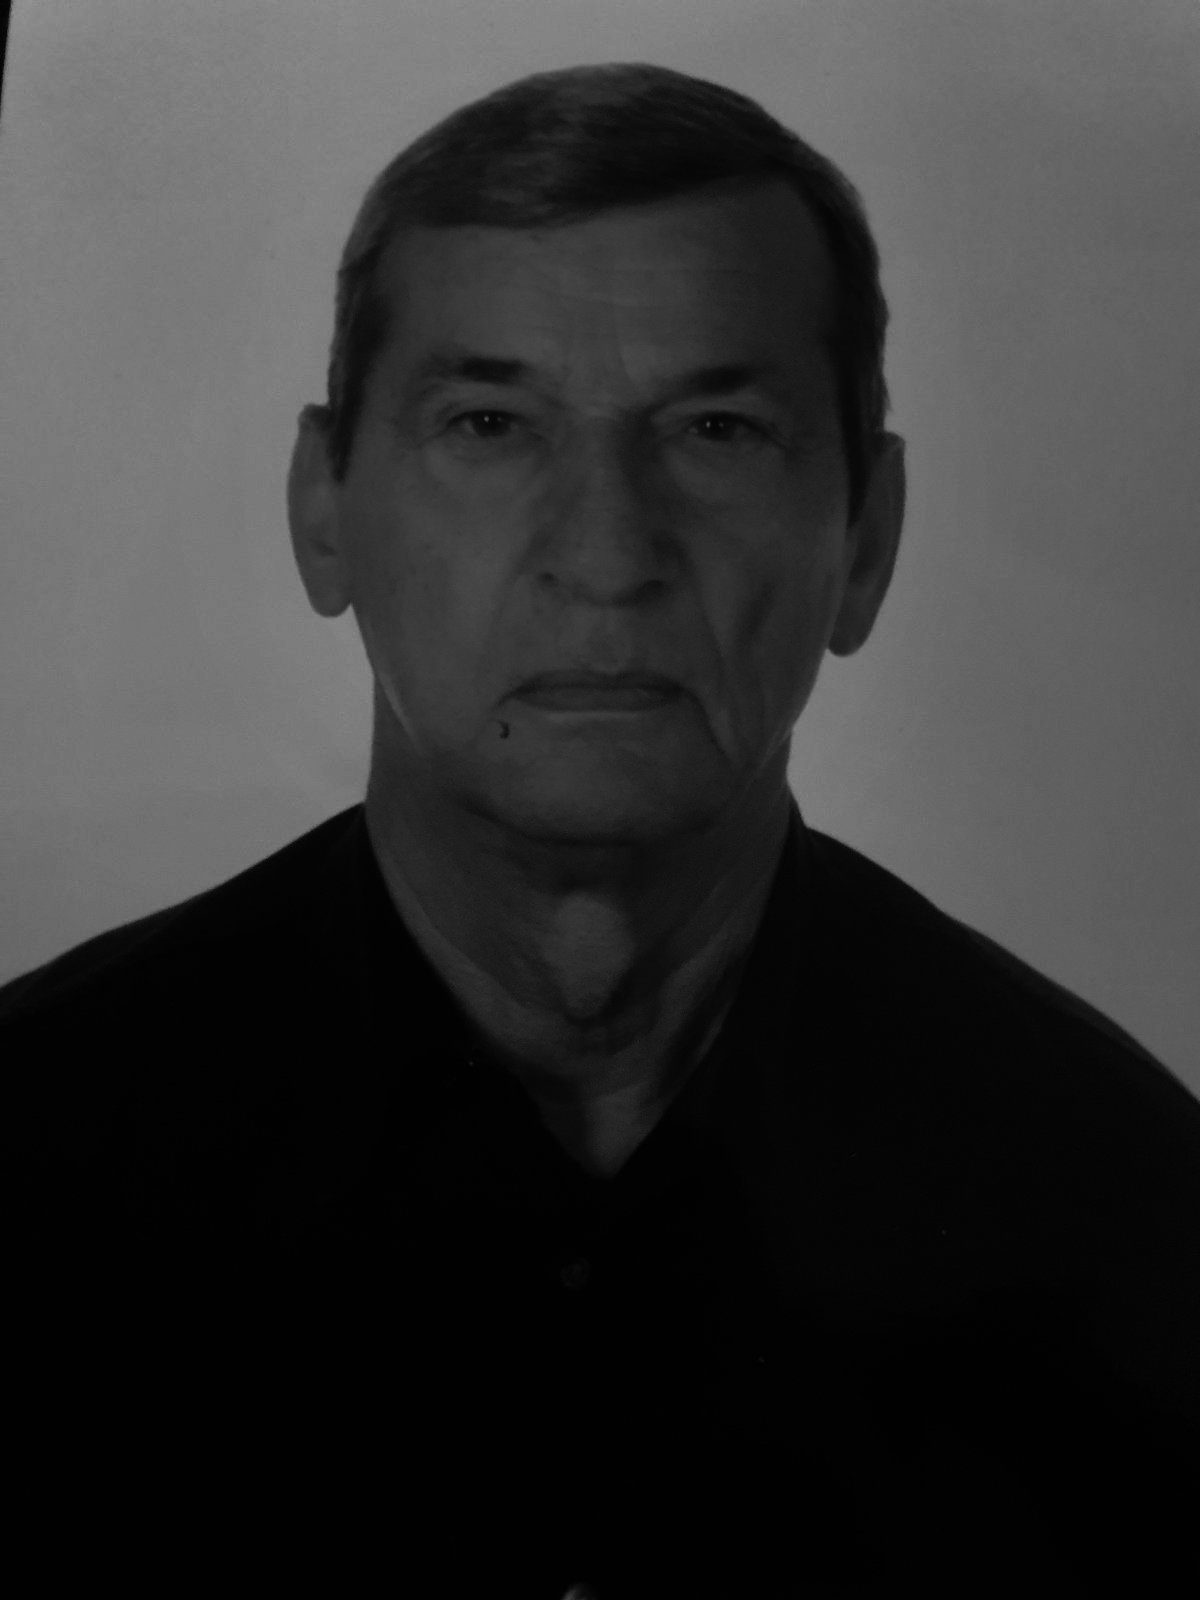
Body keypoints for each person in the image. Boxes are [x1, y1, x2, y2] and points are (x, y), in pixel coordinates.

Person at [4, 61, 1198, 1599]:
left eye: (716, 429)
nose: (608, 551)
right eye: (491, 423)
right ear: (323, 510)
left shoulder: (1137, 1228)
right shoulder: (24, 1167)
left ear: (867, 543)